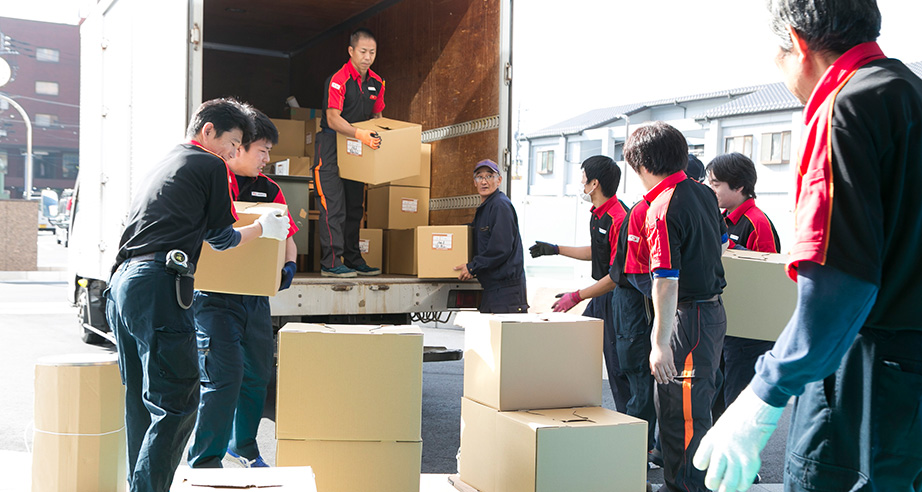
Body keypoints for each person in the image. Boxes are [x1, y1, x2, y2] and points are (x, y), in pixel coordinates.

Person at [694, 1, 922, 491]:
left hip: (866, 382)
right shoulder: (910, 94)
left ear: (797, 42)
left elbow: (842, 280)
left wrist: (766, 391)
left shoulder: (846, 104)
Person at [104, 98, 290, 492]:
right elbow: (221, 238)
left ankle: (139, 485)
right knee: (177, 404)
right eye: (234, 142)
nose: (234, 152)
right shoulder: (210, 164)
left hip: (122, 283)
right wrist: (262, 229)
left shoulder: (167, 160)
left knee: (142, 401)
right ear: (208, 131)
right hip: (158, 283)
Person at [186, 109, 298, 469]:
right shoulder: (214, 177)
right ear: (239, 147)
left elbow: (289, 237)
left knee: (256, 374)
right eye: (262, 150)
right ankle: (205, 457)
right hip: (214, 298)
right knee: (223, 376)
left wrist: (289, 266)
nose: (267, 159)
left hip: (255, 299)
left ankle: (244, 447)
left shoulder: (271, 189)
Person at [626, 121, 728, 492]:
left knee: (682, 416)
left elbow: (666, 281)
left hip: (689, 317)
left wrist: (659, 343)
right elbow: (721, 239)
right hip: (708, 314)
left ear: (643, 165)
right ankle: (678, 484)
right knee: (681, 408)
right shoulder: (702, 193)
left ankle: (684, 487)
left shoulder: (662, 207)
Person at [529, 155, 631, 411]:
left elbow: (616, 277)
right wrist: (554, 249)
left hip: (617, 297)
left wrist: (577, 296)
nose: (581, 182)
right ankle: (571, 405)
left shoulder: (619, 218)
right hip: (601, 293)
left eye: (583, 177)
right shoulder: (599, 215)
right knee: (577, 347)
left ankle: (634, 429)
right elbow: (596, 253)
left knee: (618, 367)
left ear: (594, 183)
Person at [706, 152, 781, 421]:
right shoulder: (721, 217)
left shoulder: (757, 222)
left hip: (749, 333)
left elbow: (768, 278)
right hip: (725, 323)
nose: (711, 188)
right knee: (717, 397)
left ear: (738, 186)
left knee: (738, 400)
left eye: (716, 184)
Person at [313, 27, 384, 278]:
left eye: (372, 52)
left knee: (355, 207)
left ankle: (353, 258)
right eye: (363, 51)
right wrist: (359, 134)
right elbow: (333, 118)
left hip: (357, 148)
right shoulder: (338, 79)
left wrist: (374, 135)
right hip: (332, 144)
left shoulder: (376, 82)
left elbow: (377, 115)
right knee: (333, 206)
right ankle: (331, 262)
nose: (367, 57)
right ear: (351, 51)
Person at [454, 159, 528, 313]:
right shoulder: (487, 207)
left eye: (489, 176)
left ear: (499, 180)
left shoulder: (500, 206)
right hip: (493, 289)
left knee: (503, 337)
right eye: (479, 177)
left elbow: (500, 248)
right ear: (474, 182)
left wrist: (473, 266)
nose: (484, 181)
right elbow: (474, 232)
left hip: (506, 291)